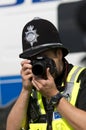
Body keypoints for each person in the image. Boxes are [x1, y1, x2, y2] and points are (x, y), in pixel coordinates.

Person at [6, 17, 86, 130]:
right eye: (33, 59)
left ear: (59, 54)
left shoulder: (81, 79)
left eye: (43, 58)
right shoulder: (33, 87)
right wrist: (25, 90)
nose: (40, 64)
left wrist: (55, 96)